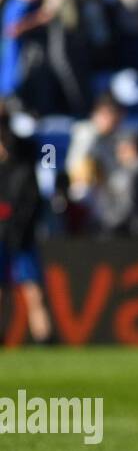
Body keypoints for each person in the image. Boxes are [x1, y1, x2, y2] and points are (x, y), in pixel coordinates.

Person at [0, 107, 54, 344]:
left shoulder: (24, 162)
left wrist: (20, 228)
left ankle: (44, 339)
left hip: (21, 237)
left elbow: (33, 200)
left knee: (33, 292)